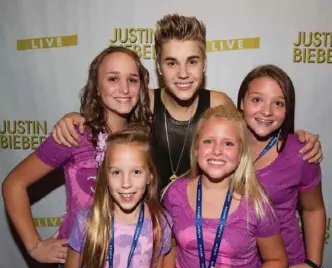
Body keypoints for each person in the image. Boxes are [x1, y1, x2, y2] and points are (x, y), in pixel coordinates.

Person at [49, 14, 323, 193]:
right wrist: (76, 116)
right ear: (158, 66)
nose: (182, 74)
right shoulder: (142, 101)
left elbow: (254, 134)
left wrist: (296, 137)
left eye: (192, 61)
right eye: (172, 63)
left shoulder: (219, 103)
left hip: (199, 228)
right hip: (148, 230)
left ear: (204, 64)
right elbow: (106, 119)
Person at [2, 46, 152, 268]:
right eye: (113, 78)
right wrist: (35, 247)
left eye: (132, 79)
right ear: (97, 87)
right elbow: (14, 184)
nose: (124, 88)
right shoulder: (75, 133)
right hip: (78, 265)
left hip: (128, 264)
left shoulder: (143, 139)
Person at [162, 105, 288, 268]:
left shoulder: (256, 204)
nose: (217, 151)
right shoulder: (175, 193)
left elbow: (277, 261)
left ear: (241, 152)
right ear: (196, 148)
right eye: (208, 141)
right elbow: (170, 247)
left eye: (228, 143)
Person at [237, 64, 326, 268]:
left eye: (278, 103)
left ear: (288, 110)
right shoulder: (222, 147)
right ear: (241, 102)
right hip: (235, 266)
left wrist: (313, 264)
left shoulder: (301, 151)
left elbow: (313, 209)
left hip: (287, 266)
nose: (266, 111)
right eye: (257, 99)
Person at [64, 127, 172, 268]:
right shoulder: (87, 222)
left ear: (150, 176)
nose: (126, 183)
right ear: (105, 177)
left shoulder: (160, 223)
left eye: (136, 172)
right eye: (116, 172)